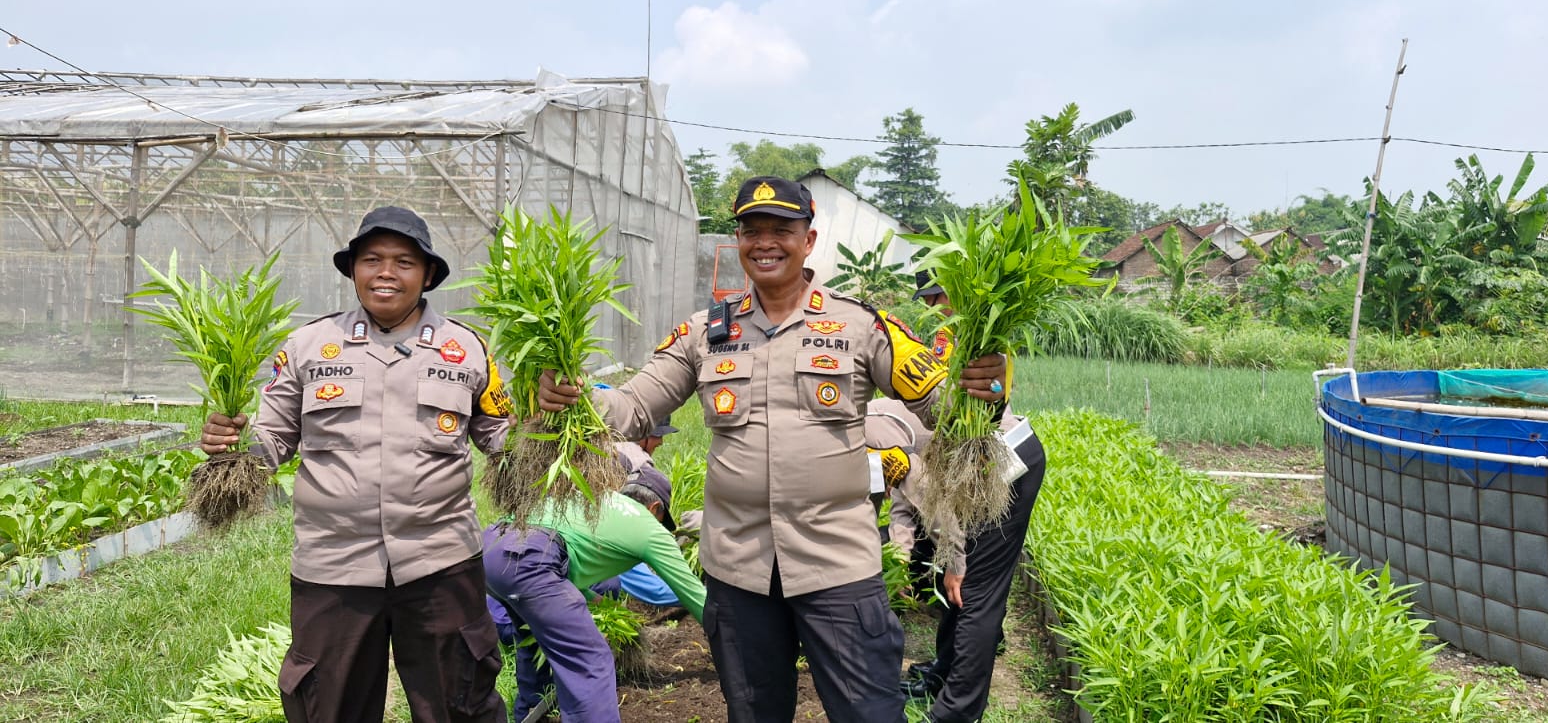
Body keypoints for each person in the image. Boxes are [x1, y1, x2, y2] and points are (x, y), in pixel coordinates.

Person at [536, 176, 1010, 723]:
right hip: (739, 570)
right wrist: (570, 396)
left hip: (837, 567)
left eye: (781, 230)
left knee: (869, 714)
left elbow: (944, 407)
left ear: (808, 240)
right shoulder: (705, 332)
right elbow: (633, 406)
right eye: (751, 230)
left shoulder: (861, 325)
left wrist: (989, 388)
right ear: (737, 241)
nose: (765, 242)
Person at [200, 206, 510, 723]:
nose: (386, 272)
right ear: (353, 270)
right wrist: (230, 448)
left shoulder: (469, 350)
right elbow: (273, 437)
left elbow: (503, 440)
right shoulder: (306, 348)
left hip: (440, 562)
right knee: (328, 707)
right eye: (372, 260)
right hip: (333, 565)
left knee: (461, 705)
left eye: (404, 262)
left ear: (428, 274)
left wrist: (555, 419)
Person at [886, 271, 1048, 723]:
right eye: (932, 300)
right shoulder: (930, 357)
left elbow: (920, 491)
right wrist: (908, 558)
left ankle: (957, 712)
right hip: (963, 473)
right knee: (953, 585)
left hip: (1001, 467)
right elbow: (910, 497)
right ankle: (943, 674)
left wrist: (954, 559)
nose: (936, 307)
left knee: (975, 590)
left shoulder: (965, 346)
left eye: (940, 296)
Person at [483, 464, 706, 723]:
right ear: (655, 508)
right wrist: (730, 631)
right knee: (592, 662)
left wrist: (588, 597)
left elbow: (558, 548)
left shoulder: (595, 499)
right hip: (528, 562)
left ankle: (530, 714)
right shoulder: (649, 528)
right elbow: (695, 597)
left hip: (493, 547)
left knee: (533, 639)